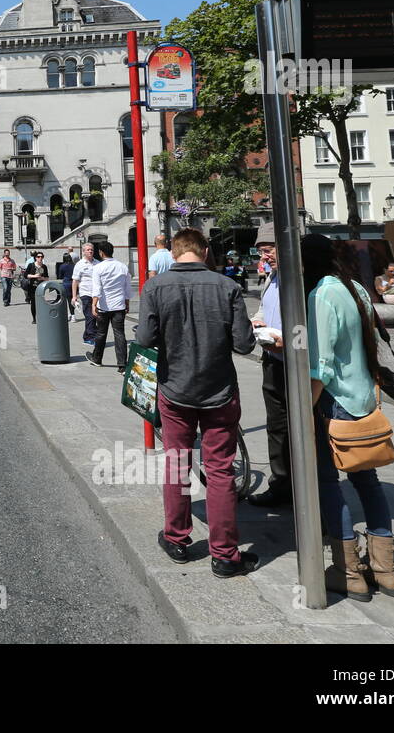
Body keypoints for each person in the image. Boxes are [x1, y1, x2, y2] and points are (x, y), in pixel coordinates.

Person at [137, 228, 258, 578]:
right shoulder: (228, 287)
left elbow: (145, 338)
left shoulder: (154, 287)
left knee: (177, 462)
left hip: (175, 390)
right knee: (220, 470)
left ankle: (176, 538)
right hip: (219, 390)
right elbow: (244, 345)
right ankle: (225, 555)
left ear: (173, 253)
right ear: (205, 251)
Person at [303, 234, 394, 602]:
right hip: (365, 399)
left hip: (334, 402)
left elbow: (321, 367)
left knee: (329, 483)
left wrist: (305, 409)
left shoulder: (321, 295)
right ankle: (385, 570)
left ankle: (348, 571)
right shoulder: (356, 288)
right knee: (368, 482)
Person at [248, 224, 290, 509]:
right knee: (276, 426)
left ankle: (316, 496)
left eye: (269, 250)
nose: (266, 257)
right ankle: (281, 484)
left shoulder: (299, 279)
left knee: (305, 429)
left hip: (298, 365)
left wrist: (285, 339)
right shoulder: (272, 277)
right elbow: (264, 308)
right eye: (262, 252)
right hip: (272, 359)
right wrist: (257, 321)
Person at [89, 241, 132, 371]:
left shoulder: (98, 268)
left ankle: (97, 358)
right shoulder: (122, 267)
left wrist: (93, 304)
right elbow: (127, 287)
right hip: (119, 305)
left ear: (101, 253)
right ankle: (122, 364)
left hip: (104, 306)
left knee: (101, 333)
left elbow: (97, 288)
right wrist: (127, 303)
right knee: (119, 334)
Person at [72, 243, 99, 346]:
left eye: (91, 249)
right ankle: (91, 337)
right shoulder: (79, 264)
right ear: (83, 251)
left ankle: (87, 335)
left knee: (95, 316)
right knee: (90, 315)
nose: (90, 251)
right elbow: (75, 281)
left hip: (96, 294)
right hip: (85, 293)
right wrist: (74, 296)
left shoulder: (97, 263)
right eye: (88, 250)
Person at [25, 252, 50, 323]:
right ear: (36, 258)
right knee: (33, 303)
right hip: (32, 287)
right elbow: (26, 275)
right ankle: (34, 318)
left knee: (42, 302)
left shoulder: (44, 266)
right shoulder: (31, 265)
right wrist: (34, 276)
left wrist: (42, 278)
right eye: (38, 257)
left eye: (42, 257)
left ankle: (41, 317)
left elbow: (47, 278)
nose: (40, 258)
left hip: (41, 288)